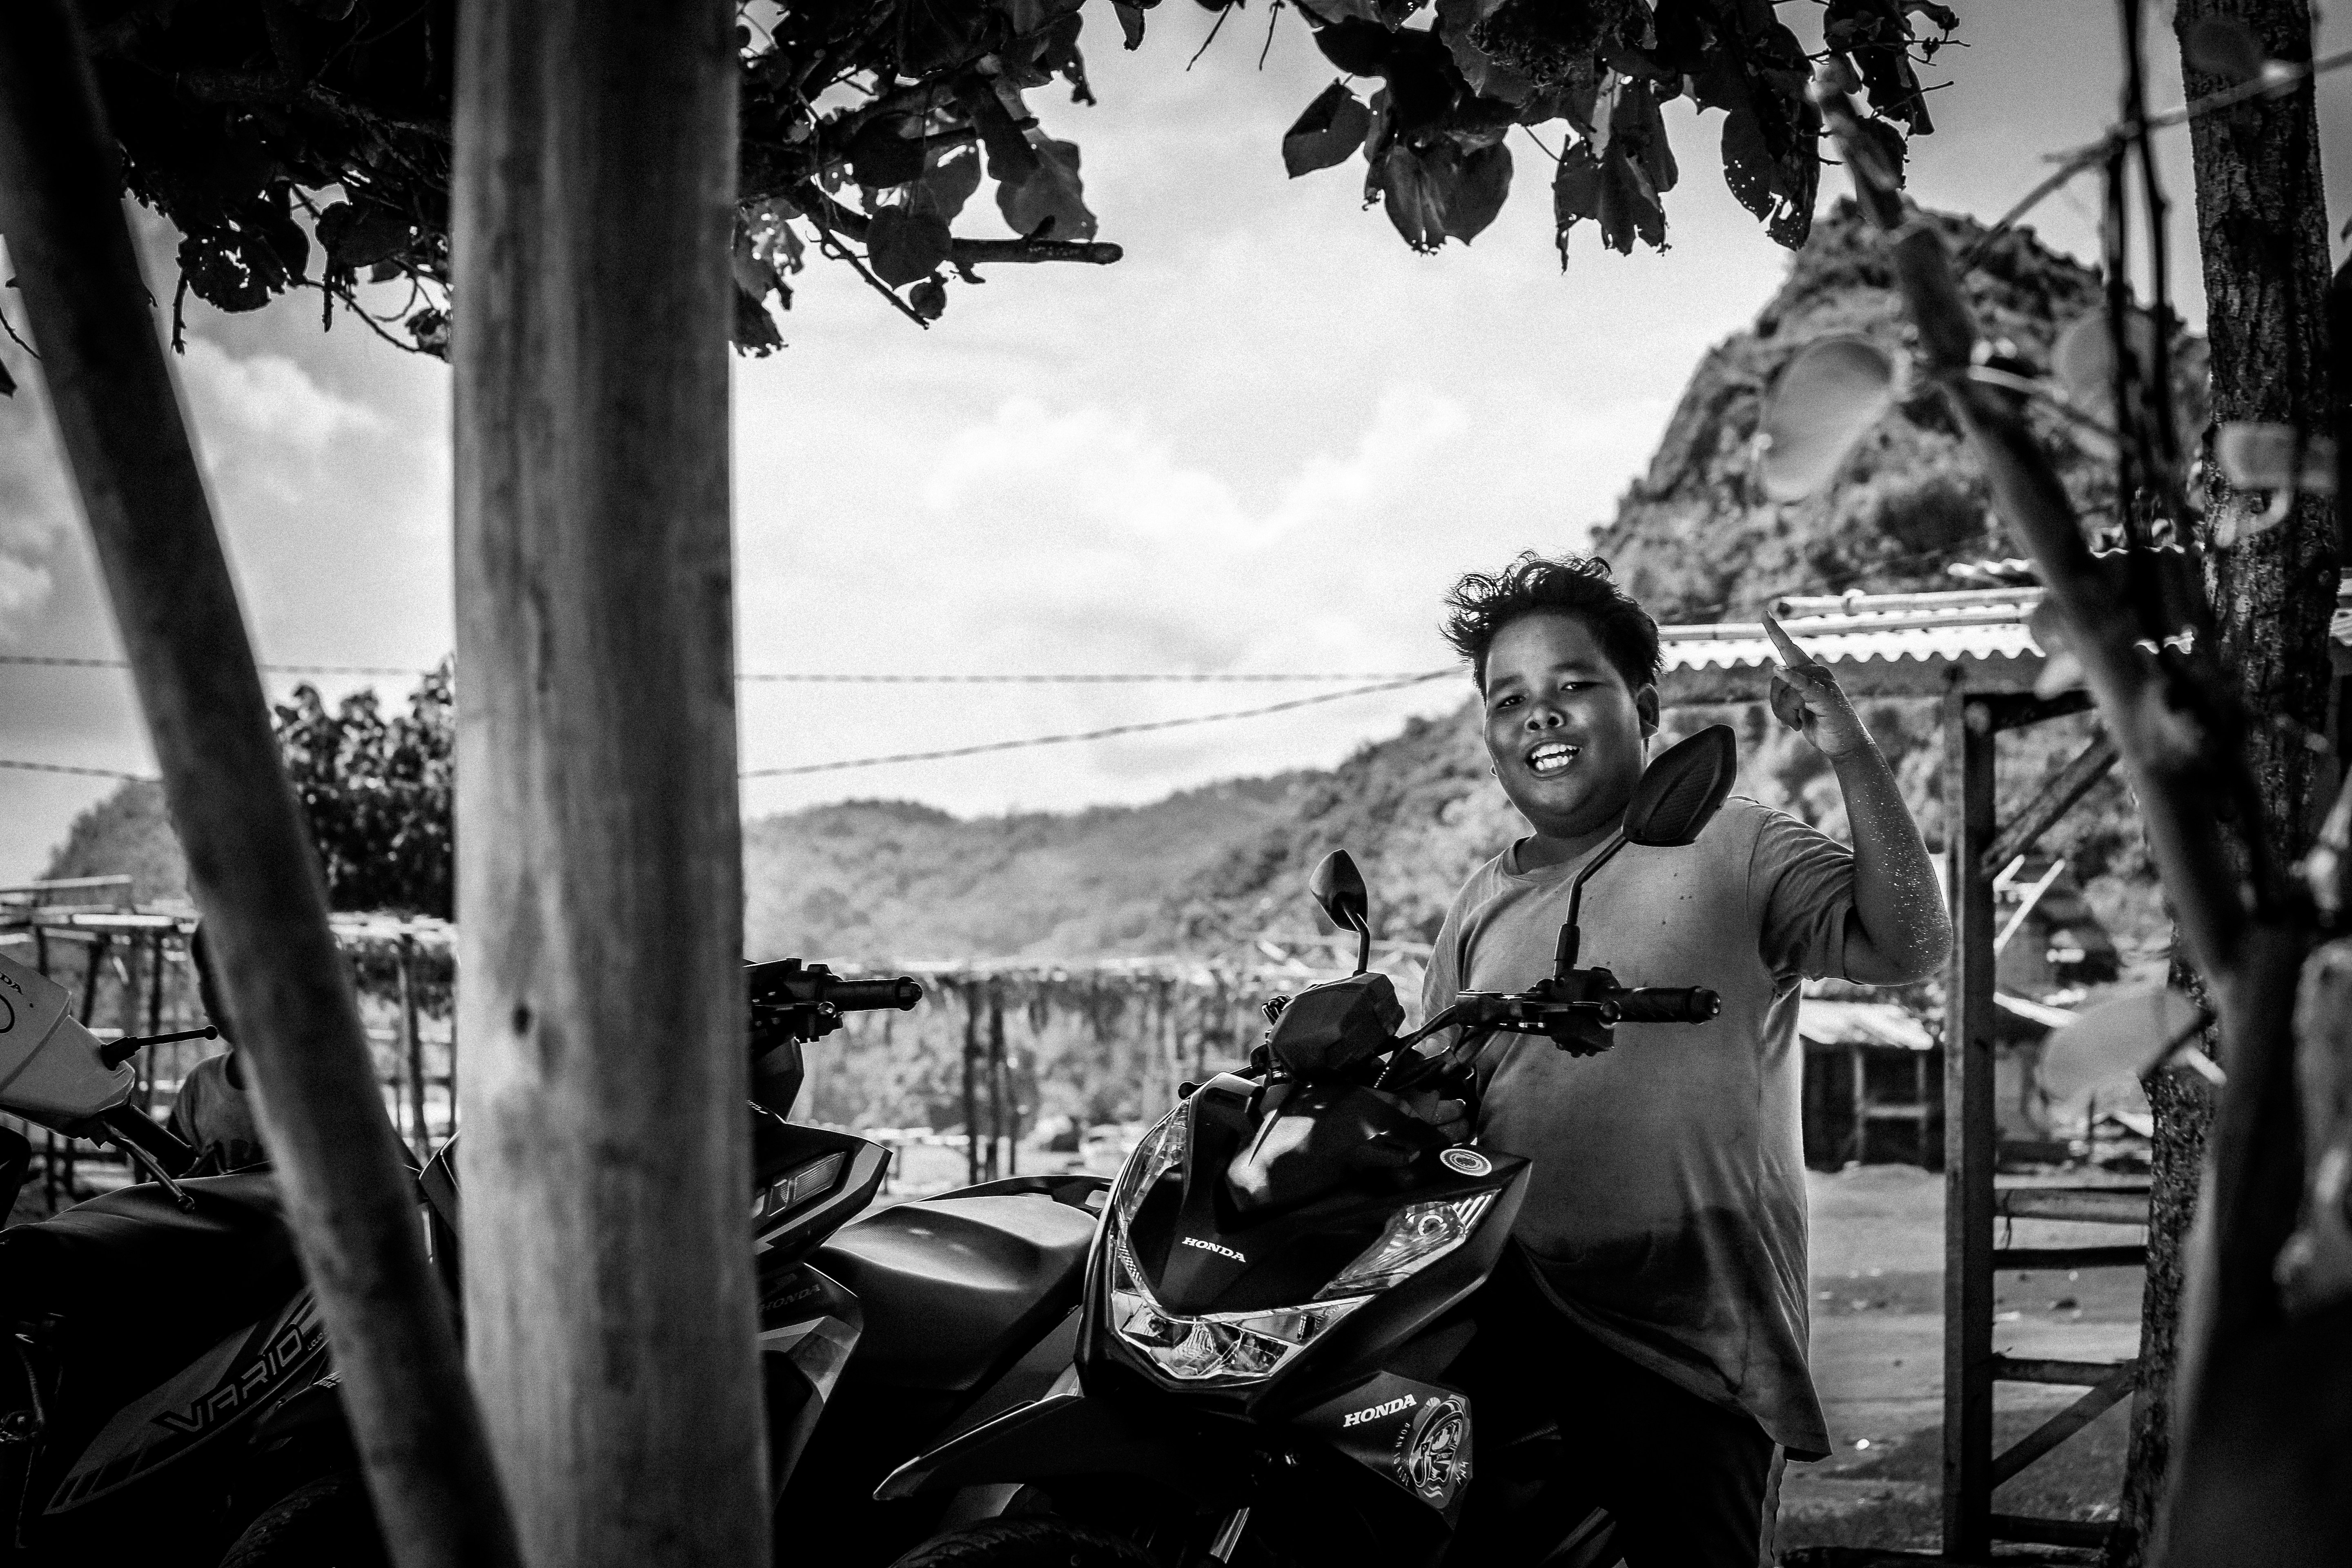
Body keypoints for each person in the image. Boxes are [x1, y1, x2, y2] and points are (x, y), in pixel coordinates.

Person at [1425, 553, 1950, 1568]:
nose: (1539, 715)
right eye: (1508, 700)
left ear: (1646, 704)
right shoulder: (1477, 905)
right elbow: (1445, 1093)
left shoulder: (1732, 842)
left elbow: (1909, 944)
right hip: (1508, 1316)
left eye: (1573, 684)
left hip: (1694, 1330)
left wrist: (1846, 747)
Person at [165, 925, 267, 1175]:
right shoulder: (201, 1087)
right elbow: (166, 1186)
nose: (227, 996)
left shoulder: (316, 1094)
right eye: (210, 978)